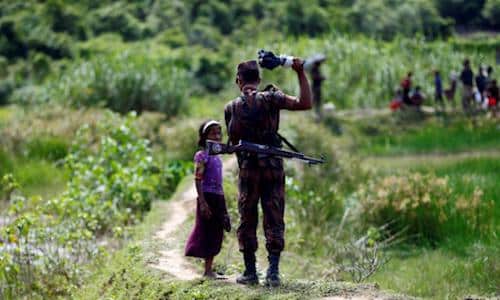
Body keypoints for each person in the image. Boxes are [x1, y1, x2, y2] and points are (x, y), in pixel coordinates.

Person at [224, 59, 312, 287]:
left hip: (248, 170)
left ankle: (250, 271)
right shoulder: (272, 98)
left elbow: (233, 142)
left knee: (247, 216)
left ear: (238, 81)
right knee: (274, 216)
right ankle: (272, 272)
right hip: (273, 168)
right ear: (259, 80)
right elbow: (305, 103)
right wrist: (300, 72)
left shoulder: (231, 107)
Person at [185, 120, 231, 278]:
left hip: (218, 198)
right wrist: (203, 203)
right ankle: (207, 270)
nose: (217, 136)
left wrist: (224, 206)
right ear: (204, 136)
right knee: (207, 232)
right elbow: (198, 179)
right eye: (213, 133)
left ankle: (209, 269)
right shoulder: (201, 156)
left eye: (219, 133)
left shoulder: (218, 158)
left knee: (217, 232)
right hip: (207, 198)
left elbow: (219, 183)